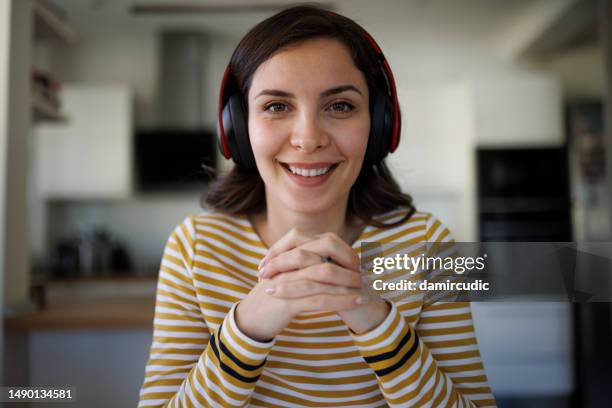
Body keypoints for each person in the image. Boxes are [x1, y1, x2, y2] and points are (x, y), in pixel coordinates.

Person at [138, 5, 496, 407]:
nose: (308, 139)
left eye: (340, 105)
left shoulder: (428, 245)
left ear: (380, 125)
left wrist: (376, 320)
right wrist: (248, 326)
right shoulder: (195, 248)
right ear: (237, 128)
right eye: (277, 106)